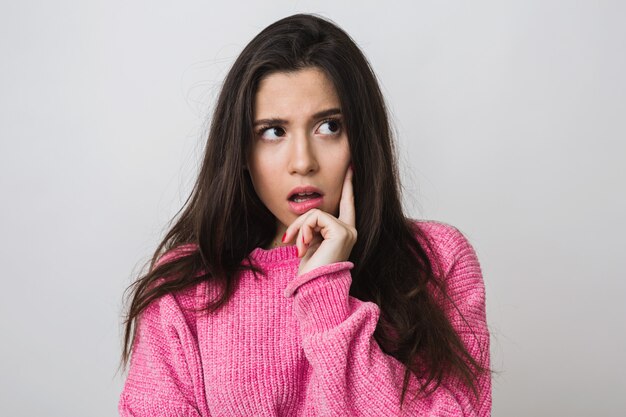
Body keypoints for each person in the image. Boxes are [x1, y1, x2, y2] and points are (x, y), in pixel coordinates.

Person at [118, 13, 491, 416]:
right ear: (242, 152)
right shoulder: (187, 287)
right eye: (273, 132)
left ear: (362, 138)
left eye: (329, 126)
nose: (303, 162)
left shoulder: (435, 260)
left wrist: (326, 297)